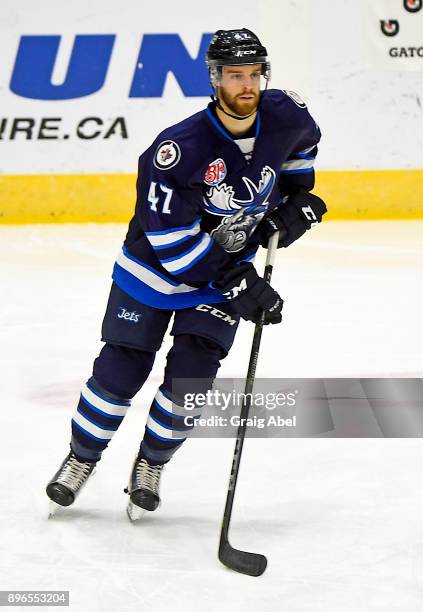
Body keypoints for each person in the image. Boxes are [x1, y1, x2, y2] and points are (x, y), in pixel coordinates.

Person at [46, 28, 327, 520]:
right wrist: (240, 282)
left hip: (224, 269)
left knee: (190, 383)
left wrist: (293, 206)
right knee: (120, 371)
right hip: (154, 272)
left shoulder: (286, 115)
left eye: (254, 74)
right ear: (215, 79)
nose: (247, 85)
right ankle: (81, 459)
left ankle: (150, 466)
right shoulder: (176, 150)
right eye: (235, 75)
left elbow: (300, 157)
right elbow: (175, 249)